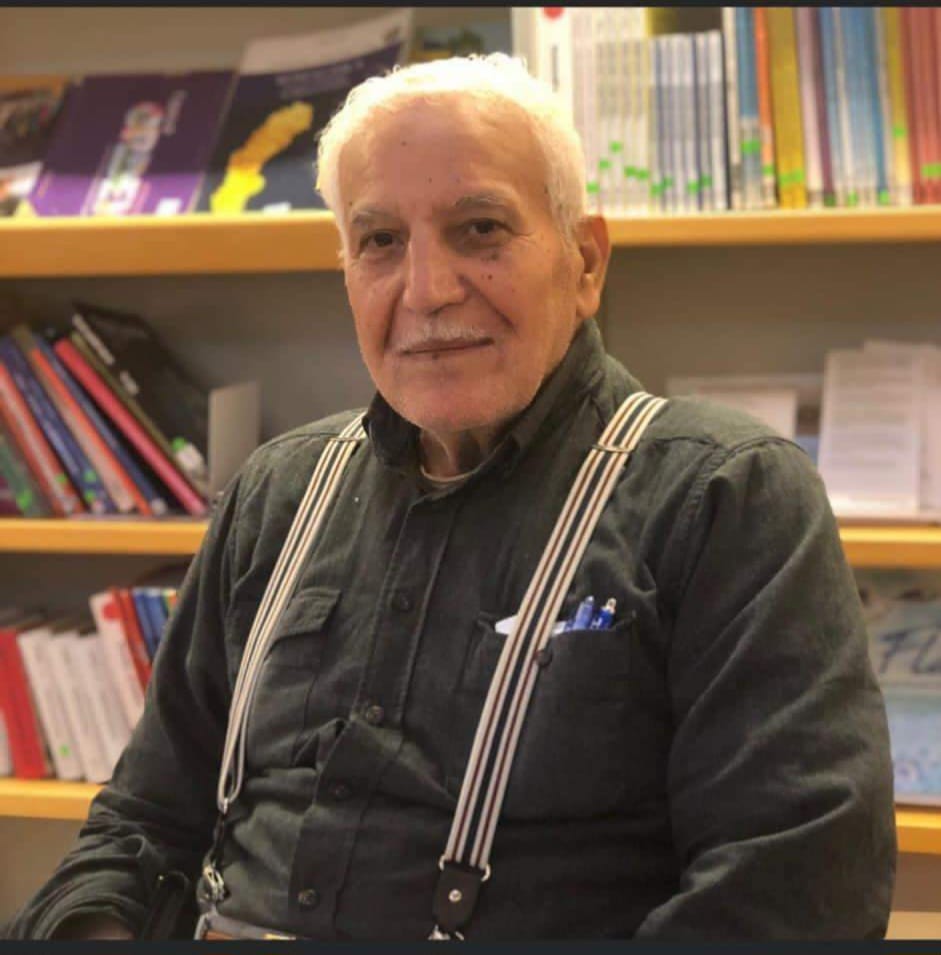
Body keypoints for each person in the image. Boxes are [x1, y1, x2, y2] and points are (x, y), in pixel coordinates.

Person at [6, 53, 895, 941]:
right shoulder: (276, 493)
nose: (428, 291)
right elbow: (140, 823)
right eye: (379, 241)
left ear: (585, 261)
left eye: (479, 229)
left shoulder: (725, 497)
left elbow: (791, 895)